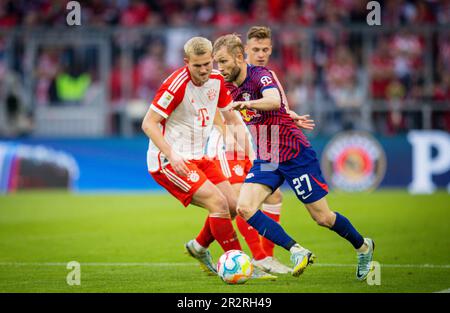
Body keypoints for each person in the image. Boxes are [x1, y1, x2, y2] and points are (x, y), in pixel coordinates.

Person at [212, 33, 375, 280]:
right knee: (244, 207)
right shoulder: (226, 85)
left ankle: (363, 246)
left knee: (322, 217)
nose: (219, 68)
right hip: (267, 157)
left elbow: (274, 100)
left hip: (294, 154)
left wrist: (248, 105)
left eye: (223, 61)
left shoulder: (260, 75)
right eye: (217, 62)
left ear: (238, 57)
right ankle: (297, 251)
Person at [141, 36, 273, 280]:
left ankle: (199, 247)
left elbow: (232, 120)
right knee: (218, 204)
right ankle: (242, 265)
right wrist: (171, 153)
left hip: (199, 155)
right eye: (197, 65)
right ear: (186, 62)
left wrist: (255, 158)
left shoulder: (217, 81)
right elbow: (148, 124)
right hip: (169, 161)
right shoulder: (175, 85)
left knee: (234, 206)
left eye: (207, 64)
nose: (203, 70)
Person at [206, 26, 315, 275]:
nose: (262, 54)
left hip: (264, 141)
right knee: (236, 201)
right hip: (231, 142)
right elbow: (216, 105)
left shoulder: (266, 75)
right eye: (256, 49)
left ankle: (265, 257)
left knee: (273, 197)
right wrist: (228, 136)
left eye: (266, 49)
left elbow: (278, 105)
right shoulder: (225, 75)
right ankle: (258, 257)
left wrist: (291, 116)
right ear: (243, 52)